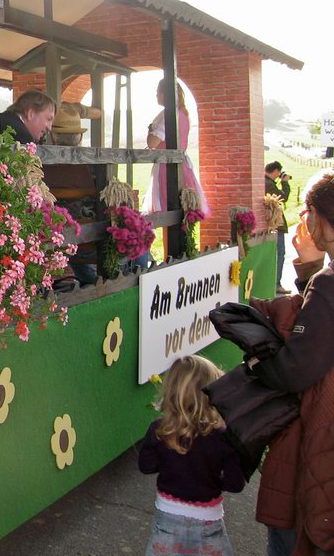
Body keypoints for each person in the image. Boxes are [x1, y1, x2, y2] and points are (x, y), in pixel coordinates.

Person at [252, 169, 334, 556]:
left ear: (323, 220)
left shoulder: (329, 284)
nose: (303, 222)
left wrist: (257, 363)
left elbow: (295, 369)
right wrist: (310, 270)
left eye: (306, 213)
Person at [138, 355, 245, 556]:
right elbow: (235, 484)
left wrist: (170, 465)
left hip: (168, 515)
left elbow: (146, 466)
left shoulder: (159, 430)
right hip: (208, 519)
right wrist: (212, 478)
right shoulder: (224, 437)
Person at [146, 80, 209, 217]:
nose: (156, 95)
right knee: (183, 209)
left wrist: (150, 129)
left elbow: (152, 143)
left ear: (165, 94)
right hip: (183, 164)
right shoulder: (183, 113)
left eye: (158, 92)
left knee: (167, 207)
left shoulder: (168, 114)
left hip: (167, 166)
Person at [265, 161, 293, 295]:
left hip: (268, 225)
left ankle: (271, 283)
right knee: (279, 254)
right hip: (275, 225)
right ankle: (276, 284)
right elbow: (284, 197)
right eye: (279, 173)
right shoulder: (269, 184)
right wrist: (285, 183)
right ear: (276, 171)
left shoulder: (264, 182)